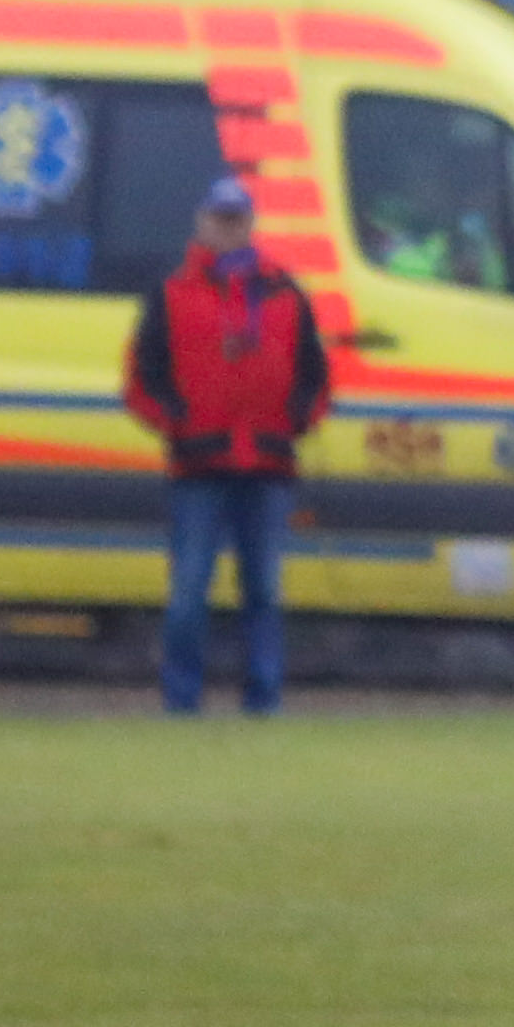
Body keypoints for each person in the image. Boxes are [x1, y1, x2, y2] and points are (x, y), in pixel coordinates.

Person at [123, 176, 331, 717]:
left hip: (267, 462)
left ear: (251, 224)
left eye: (237, 219)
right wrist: (176, 423)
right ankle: (181, 700)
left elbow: (315, 375)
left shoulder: (286, 294)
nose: (229, 228)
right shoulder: (172, 293)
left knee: (263, 591)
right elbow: (141, 377)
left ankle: (263, 700)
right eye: (220, 218)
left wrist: (295, 421)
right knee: (189, 592)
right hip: (199, 463)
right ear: (202, 222)